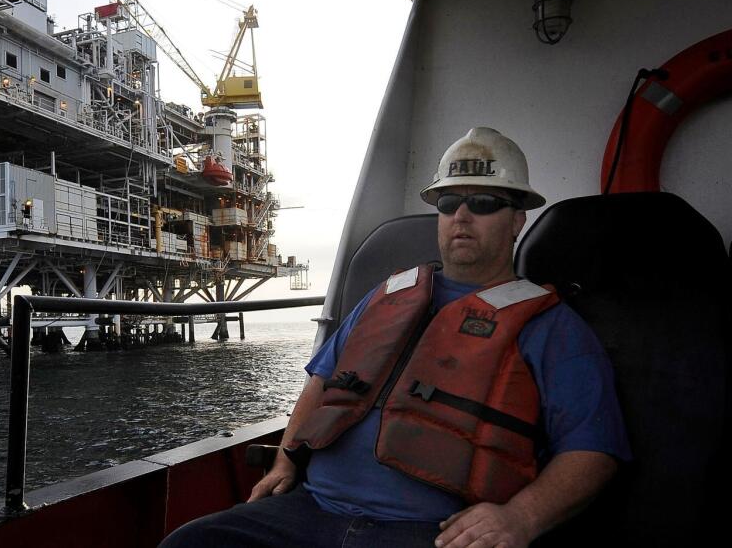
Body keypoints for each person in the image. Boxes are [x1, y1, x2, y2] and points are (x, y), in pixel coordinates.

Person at [160, 127, 630, 548]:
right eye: (449, 203)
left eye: (483, 203)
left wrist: (519, 520)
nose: (462, 215)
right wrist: (285, 460)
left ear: (516, 221)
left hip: (433, 532)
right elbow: (319, 386)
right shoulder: (387, 296)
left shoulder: (552, 327)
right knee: (189, 543)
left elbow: (595, 450)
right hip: (310, 511)